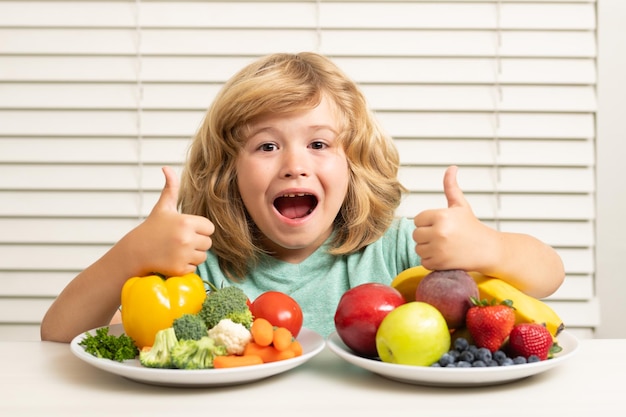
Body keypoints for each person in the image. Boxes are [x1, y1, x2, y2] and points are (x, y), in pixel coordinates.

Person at [40, 52, 564, 341]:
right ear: (228, 171)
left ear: (354, 164)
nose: (294, 164)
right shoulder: (200, 267)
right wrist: (133, 255)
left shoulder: (398, 248)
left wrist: (490, 248)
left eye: (318, 144)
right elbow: (58, 334)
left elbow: (550, 275)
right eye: (266, 145)